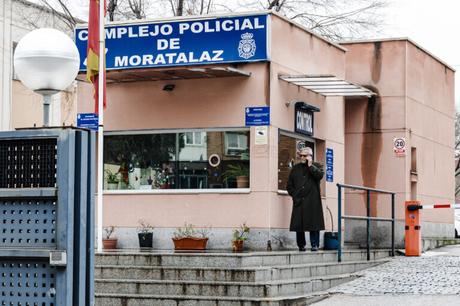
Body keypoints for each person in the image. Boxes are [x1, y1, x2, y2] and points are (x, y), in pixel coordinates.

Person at [286, 147, 325, 251]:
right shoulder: (295, 168)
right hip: (299, 201)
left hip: (312, 202)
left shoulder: (317, 166)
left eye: (305, 155)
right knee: (299, 225)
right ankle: (301, 245)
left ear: (310, 156)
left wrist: (310, 166)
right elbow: (289, 186)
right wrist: (295, 195)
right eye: (301, 155)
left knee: (314, 225)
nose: (302, 157)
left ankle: (314, 245)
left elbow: (319, 176)